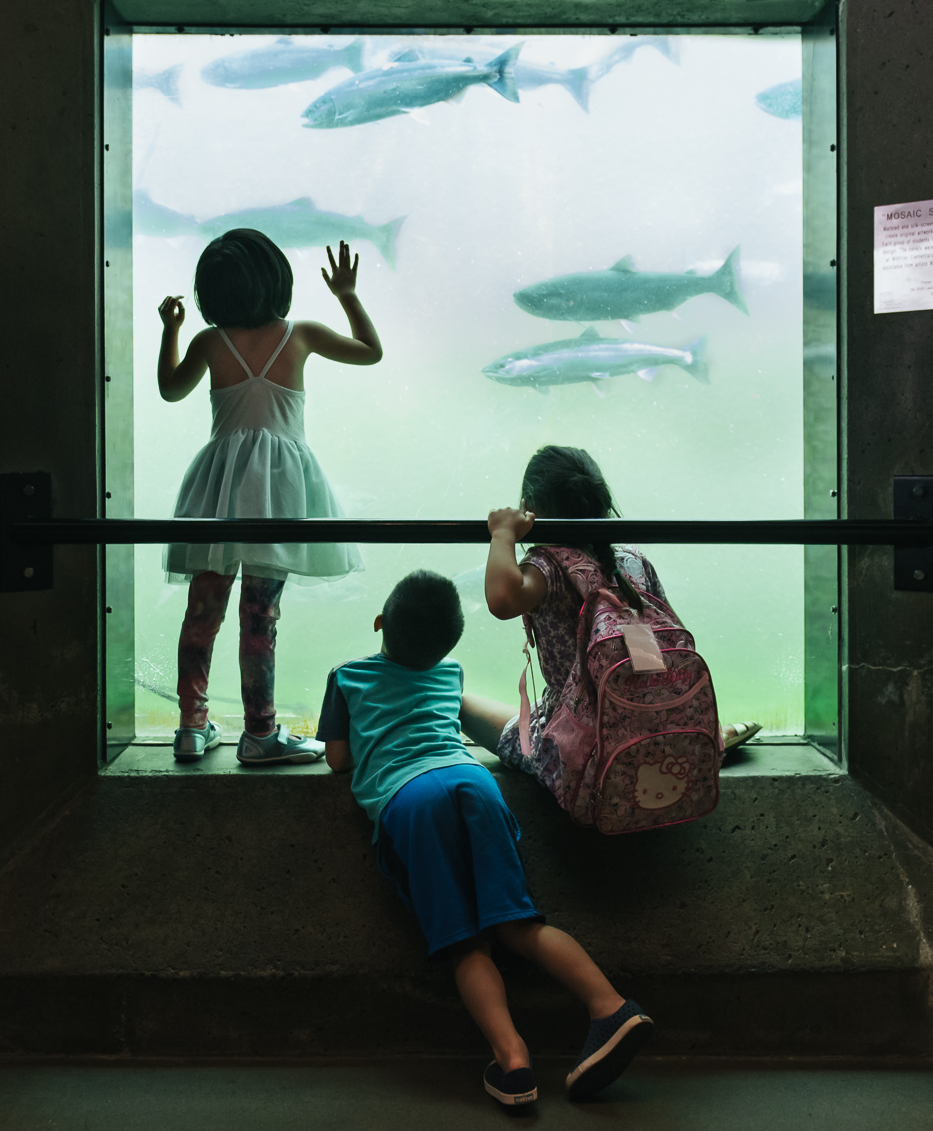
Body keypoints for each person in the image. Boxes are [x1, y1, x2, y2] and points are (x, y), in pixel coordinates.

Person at [318, 569, 653, 1106]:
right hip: (472, 782)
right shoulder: (449, 672)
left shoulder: (346, 675)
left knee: (466, 941)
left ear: (380, 623)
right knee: (518, 922)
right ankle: (611, 1006)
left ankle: (514, 1062)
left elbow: (338, 760)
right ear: (450, 642)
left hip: (412, 801)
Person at [156, 230, 381, 765]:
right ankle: (260, 733)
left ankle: (191, 727)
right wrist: (347, 294)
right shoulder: (298, 335)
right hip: (279, 489)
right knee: (260, 616)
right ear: (277, 281)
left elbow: (169, 388)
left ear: (212, 291)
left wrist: (171, 330)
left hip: (219, 486)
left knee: (201, 610)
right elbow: (371, 352)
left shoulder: (210, 342)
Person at [459, 444, 759, 780]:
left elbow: (501, 601)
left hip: (580, 745)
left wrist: (502, 534)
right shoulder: (631, 561)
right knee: (637, 671)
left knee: (463, 705)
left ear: (530, 508)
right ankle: (696, 736)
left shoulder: (547, 569)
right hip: (650, 725)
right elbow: (659, 655)